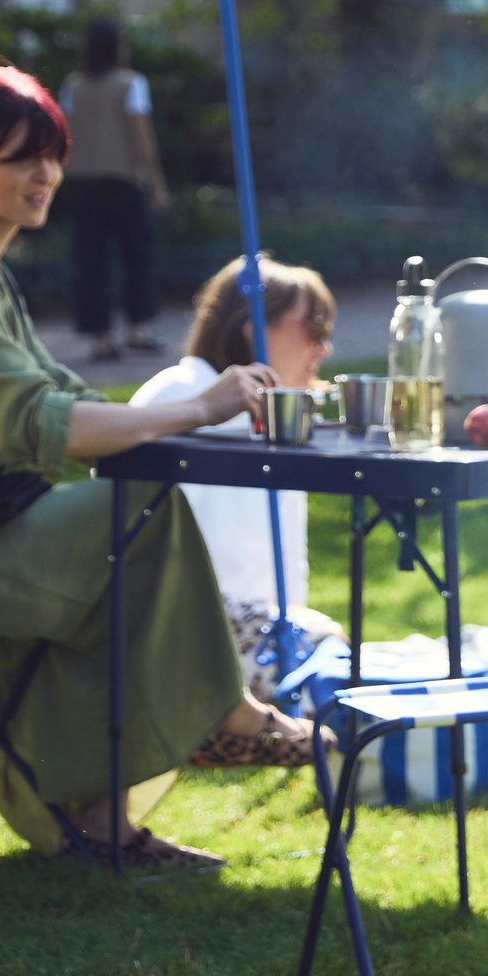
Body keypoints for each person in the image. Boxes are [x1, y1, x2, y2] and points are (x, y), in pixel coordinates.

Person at [0, 65, 322, 874]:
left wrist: (171, 416)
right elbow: (41, 422)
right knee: (131, 514)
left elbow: (65, 393)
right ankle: (225, 714)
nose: (43, 174)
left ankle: (102, 818)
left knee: (132, 529)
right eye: (18, 158)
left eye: (51, 154)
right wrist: (196, 408)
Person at [131, 255, 345, 698]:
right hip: (185, 631)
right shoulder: (181, 396)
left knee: (339, 663)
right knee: (337, 669)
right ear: (254, 327)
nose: (324, 348)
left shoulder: (276, 415)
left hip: (252, 628)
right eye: (315, 327)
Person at [58, 17, 170, 363]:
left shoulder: (73, 85)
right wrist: (156, 183)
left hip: (82, 182)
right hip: (122, 180)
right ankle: (138, 329)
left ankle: (100, 338)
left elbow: (65, 131)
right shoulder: (131, 83)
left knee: (91, 261)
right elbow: (141, 137)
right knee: (136, 256)